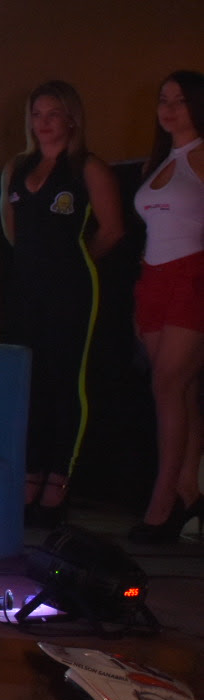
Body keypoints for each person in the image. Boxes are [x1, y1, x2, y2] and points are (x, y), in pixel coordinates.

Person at [0, 81, 122, 526]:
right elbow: (11, 229)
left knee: (64, 380)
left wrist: (73, 262)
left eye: (53, 114)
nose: (44, 123)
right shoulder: (17, 167)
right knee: (29, 380)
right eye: (37, 114)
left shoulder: (87, 168)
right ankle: (31, 472)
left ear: (71, 118)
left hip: (70, 289)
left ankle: (59, 478)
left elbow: (112, 230)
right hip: (25, 287)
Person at [129, 71, 204, 543]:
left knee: (168, 384)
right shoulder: (158, 162)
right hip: (152, 279)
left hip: (191, 275)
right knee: (182, 390)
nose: (170, 109)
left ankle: (163, 503)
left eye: (180, 100)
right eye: (164, 100)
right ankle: (189, 492)